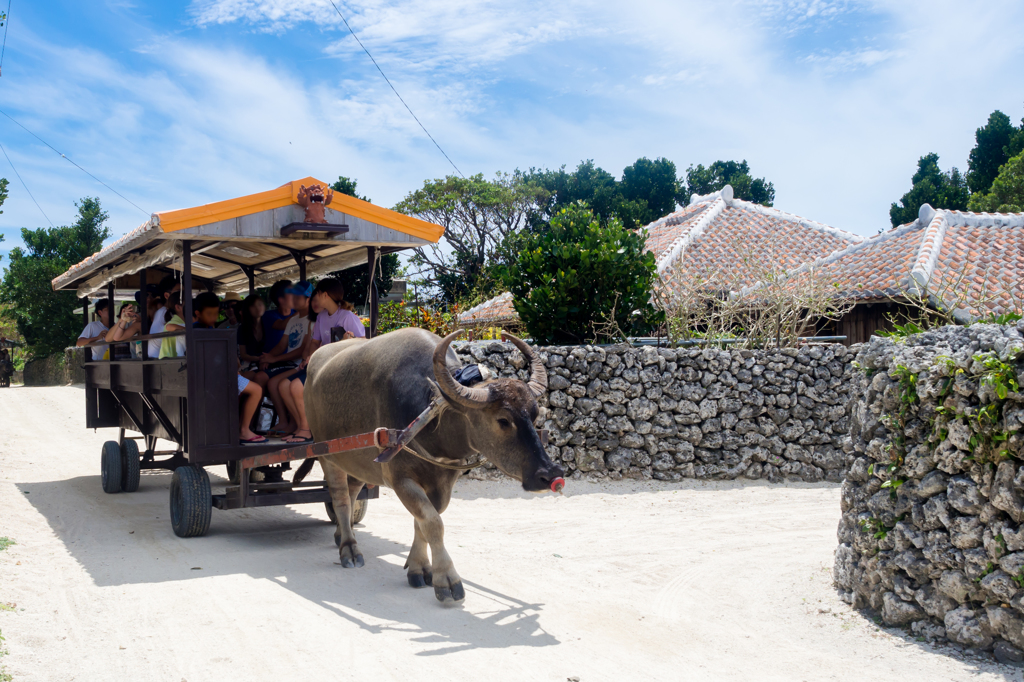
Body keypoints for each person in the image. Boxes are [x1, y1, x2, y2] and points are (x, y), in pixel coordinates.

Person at [280, 279, 363, 444]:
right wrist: (309, 358)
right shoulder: (321, 317)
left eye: (317, 293)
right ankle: (302, 426)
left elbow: (362, 342)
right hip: (320, 364)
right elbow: (315, 343)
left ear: (325, 295)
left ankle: (307, 430)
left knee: (296, 386)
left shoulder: (347, 317)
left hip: (336, 368)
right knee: (283, 386)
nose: (315, 297)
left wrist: (350, 339)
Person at [257, 281, 312, 438]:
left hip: (298, 363)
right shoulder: (293, 320)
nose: (293, 299)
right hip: (291, 363)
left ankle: (298, 424)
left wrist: (274, 359)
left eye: (297, 297)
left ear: (308, 298)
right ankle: (287, 421)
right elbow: (282, 345)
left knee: (279, 383)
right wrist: (269, 357)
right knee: (274, 383)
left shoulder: (311, 319)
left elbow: (301, 350)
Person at [148, 275, 180, 358]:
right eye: (178, 292)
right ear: (166, 296)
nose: (182, 295)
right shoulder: (165, 313)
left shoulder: (163, 312)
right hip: (161, 361)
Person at [262, 280, 294, 353]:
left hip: (293, 361)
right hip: (273, 362)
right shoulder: (268, 316)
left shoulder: (296, 313)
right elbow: (281, 325)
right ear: (281, 300)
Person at [237, 294, 266, 372]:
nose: (257, 308)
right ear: (247, 309)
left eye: (260, 304)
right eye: (253, 306)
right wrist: (259, 359)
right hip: (250, 363)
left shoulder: (269, 324)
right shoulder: (243, 328)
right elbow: (243, 355)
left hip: (269, 362)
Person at [159, 292, 187, 358]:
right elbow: (168, 327)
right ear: (178, 307)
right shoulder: (174, 322)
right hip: (168, 363)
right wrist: (188, 329)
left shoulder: (180, 322)